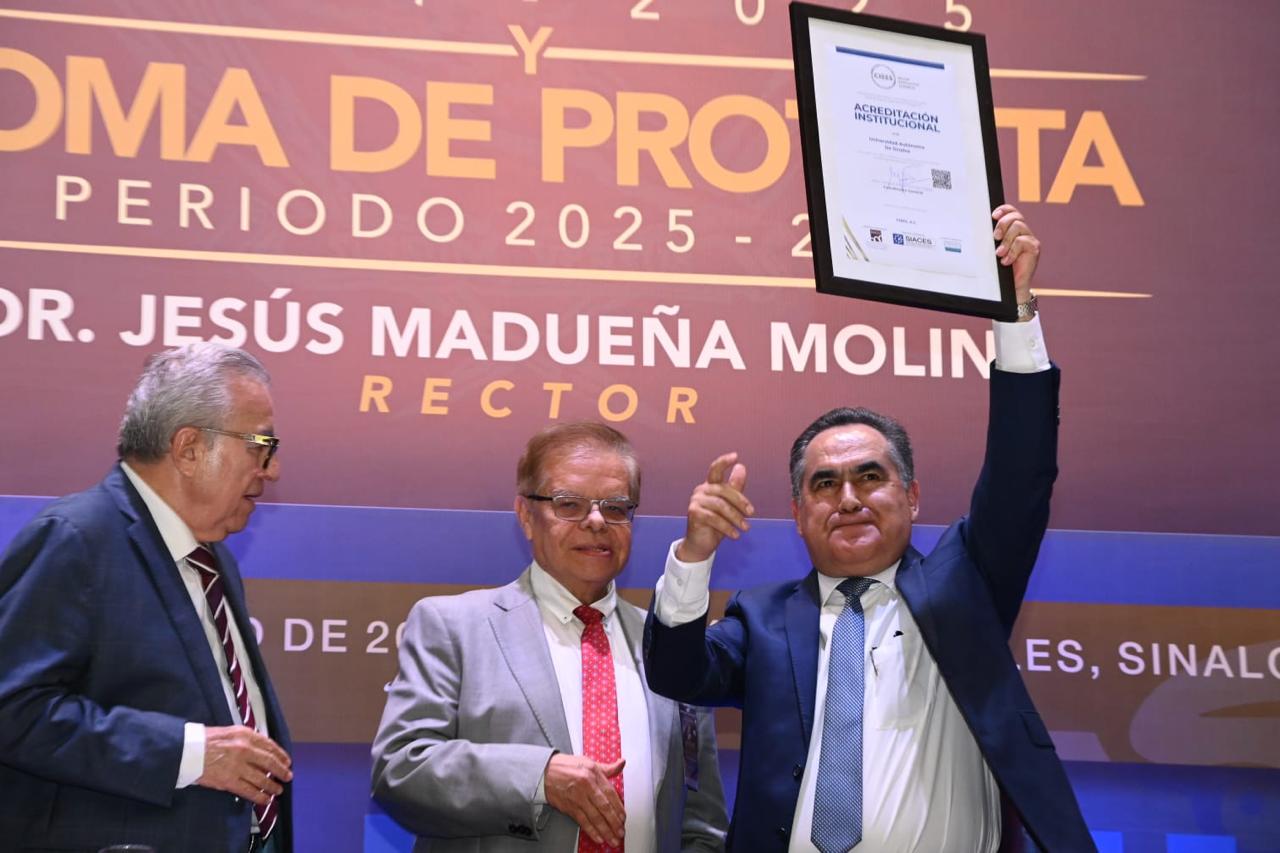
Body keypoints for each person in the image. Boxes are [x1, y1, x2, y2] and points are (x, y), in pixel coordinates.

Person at [644, 206, 1095, 852]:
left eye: (870, 477)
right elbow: (676, 673)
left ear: (911, 497)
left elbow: (1021, 474)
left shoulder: (967, 586)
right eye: (825, 484)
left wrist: (1015, 310)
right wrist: (694, 556)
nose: (849, 499)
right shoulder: (762, 619)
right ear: (797, 513)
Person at [372, 422, 728, 852]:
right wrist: (539, 777)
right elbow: (400, 770)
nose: (596, 521)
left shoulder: (671, 646)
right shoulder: (453, 627)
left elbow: (701, 825)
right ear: (526, 515)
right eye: (569, 504)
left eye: (616, 507)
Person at [0, 343, 293, 852]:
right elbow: (13, 710)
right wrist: (187, 753)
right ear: (189, 448)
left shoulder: (212, 557)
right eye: (260, 445)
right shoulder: (75, 538)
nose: (273, 469)